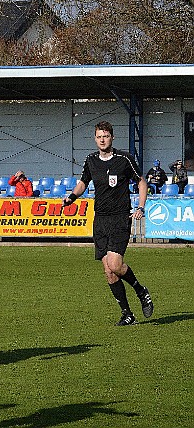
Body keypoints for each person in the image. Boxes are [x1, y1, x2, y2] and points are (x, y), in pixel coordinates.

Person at [63, 121, 153, 326]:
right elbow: (83, 182)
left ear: (112, 137)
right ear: (95, 139)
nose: (102, 140)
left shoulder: (124, 159)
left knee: (115, 264)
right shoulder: (91, 160)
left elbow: (141, 181)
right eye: (99, 136)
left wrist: (140, 207)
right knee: (108, 272)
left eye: (105, 136)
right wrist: (71, 197)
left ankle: (141, 290)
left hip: (120, 217)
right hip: (100, 219)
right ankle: (127, 314)